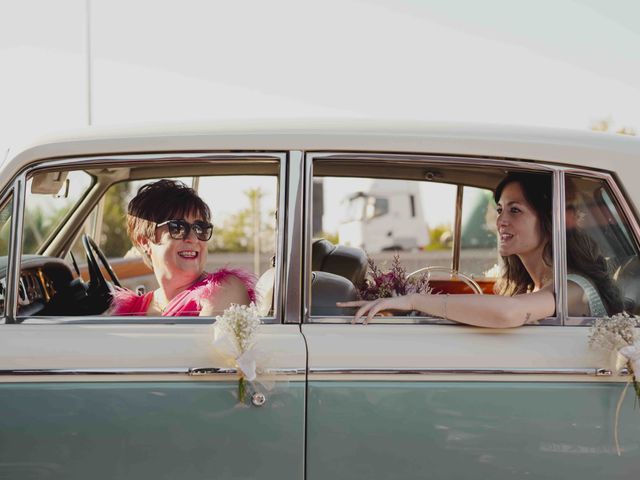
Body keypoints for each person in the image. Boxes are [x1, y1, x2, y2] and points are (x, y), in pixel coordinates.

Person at [337, 172, 622, 326]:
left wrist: (414, 302)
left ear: (549, 222)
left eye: (515, 210)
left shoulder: (574, 289)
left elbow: (508, 314)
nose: (501, 221)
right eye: (500, 210)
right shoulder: (534, 286)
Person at [110, 179, 255, 316]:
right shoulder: (131, 309)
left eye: (200, 228)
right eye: (178, 228)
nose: (193, 239)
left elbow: (205, 343)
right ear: (145, 241)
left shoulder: (224, 290)